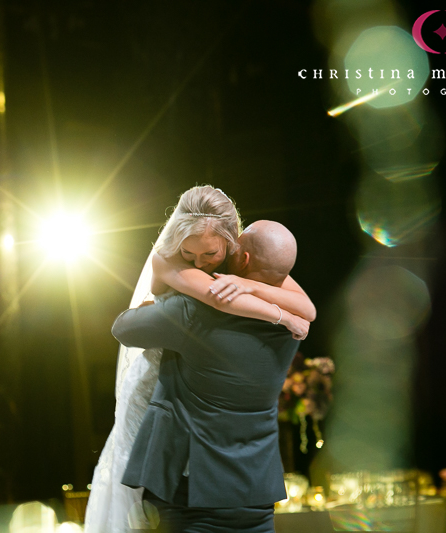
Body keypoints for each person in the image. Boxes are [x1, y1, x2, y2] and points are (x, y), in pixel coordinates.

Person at [85, 186, 314, 532]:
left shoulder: (191, 312)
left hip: (190, 493)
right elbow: (305, 309)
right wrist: (276, 310)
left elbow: (124, 328)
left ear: (240, 252)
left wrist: (157, 305)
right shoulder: (292, 326)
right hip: (256, 492)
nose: (199, 262)